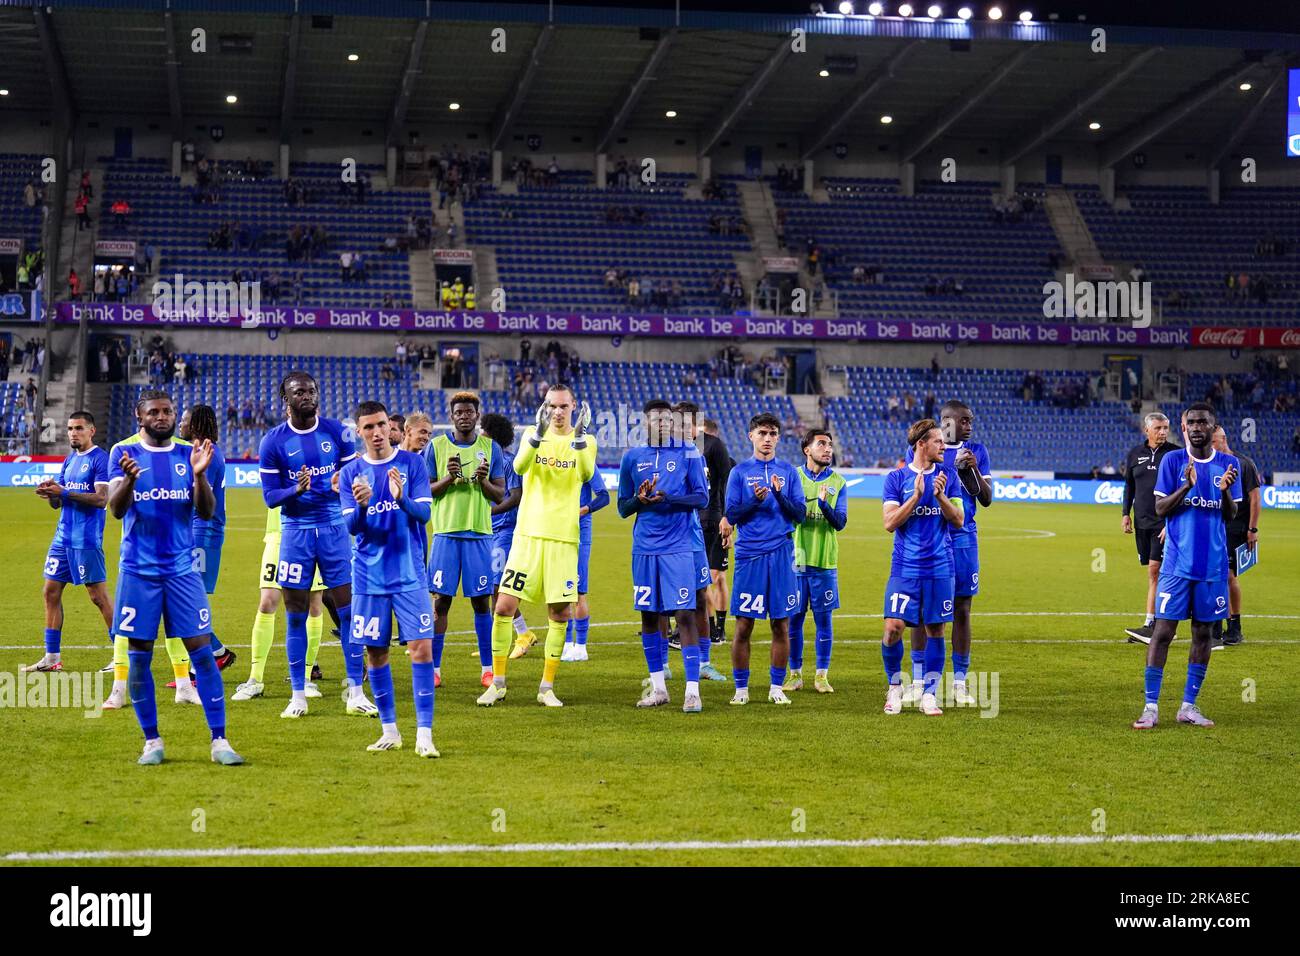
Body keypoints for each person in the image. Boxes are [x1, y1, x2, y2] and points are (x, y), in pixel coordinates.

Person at [105, 391, 243, 765]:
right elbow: (116, 511)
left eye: (168, 411)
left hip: (183, 572)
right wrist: (129, 482)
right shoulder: (123, 454)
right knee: (139, 657)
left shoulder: (191, 453)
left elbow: (207, 511)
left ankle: (220, 741)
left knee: (202, 652)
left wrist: (199, 477)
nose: (162, 417)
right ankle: (152, 741)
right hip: (138, 571)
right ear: (140, 417)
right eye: (154, 412)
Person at [258, 371, 375, 719]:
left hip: (334, 528)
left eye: (311, 390)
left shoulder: (337, 432)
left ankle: (355, 691)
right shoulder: (273, 442)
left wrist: (347, 483)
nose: (307, 396)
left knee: (348, 610)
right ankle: (298, 694)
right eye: (299, 392)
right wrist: (296, 490)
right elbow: (269, 498)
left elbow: (354, 476)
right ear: (286, 400)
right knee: (294, 612)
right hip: (295, 532)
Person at [477, 385, 596, 708]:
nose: (557, 412)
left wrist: (580, 436)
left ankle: (546, 688)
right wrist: (538, 434)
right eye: (551, 406)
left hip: (563, 540)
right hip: (528, 537)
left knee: (558, 613)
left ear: (573, 407)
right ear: (544, 408)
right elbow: (518, 467)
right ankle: (498, 683)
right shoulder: (533, 433)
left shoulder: (587, 442)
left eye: (562, 406)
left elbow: (585, 473)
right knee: (503, 605)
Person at [338, 402, 440, 757]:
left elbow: (424, 514)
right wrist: (363, 506)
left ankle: (424, 734)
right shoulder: (352, 473)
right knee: (376, 653)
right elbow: (352, 528)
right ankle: (390, 730)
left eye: (381, 425)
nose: (377, 432)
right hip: (368, 577)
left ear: (390, 426)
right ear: (359, 432)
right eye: (368, 428)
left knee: (421, 649)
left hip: (410, 573)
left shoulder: (412, 464)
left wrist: (403, 499)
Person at [1132, 403, 1241, 730]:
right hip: (1177, 565)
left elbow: (1231, 514)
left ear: (1213, 427)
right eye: (1190, 422)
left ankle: (1188, 706)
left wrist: (1223, 493)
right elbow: (1160, 507)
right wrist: (1187, 487)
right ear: (1184, 427)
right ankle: (1150, 707)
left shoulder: (1228, 464)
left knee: (1203, 633)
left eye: (1202, 423)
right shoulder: (1173, 460)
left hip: (1212, 566)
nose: (1196, 427)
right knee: (1163, 632)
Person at [618, 400, 709, 712]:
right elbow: (622, 508)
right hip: (644, 548)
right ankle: (659, 689)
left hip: (679, 547)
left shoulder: (688, 453)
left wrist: (669, 497)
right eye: (655, 419)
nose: (662, 424)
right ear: (645, 422)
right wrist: (639, 499)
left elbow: (701, 497)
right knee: (649, 616)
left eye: (666, 419)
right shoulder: (632, 457)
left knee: (684, 614)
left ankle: (692, 691)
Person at [905, 401, 993, 706]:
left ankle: (959, 682)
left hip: (964, 538)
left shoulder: (977, 451)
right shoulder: (926, 449)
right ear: (947, 422)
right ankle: (918, 680)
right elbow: (916, 490)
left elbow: (987, 499)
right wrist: (948, 469)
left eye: (970, 421)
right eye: (964, 421)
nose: (969, 426)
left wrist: (974, 470)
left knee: (962, 610)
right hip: (932, 537)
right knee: (921, 610)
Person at [22, 413, 116, 684]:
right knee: (50, 592)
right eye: (70, 429)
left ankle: (122, 655)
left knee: (98, 597)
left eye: (79, 429)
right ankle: (51, 658)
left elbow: (101, 499)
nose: (73, 433)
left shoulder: (101, 459)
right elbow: (60, 500)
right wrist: (51, 493)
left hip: (85, 539)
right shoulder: (70, 459)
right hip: (62, 538)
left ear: (92, 430)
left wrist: (62, 492)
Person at [880, 419, 964, 717]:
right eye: (938, 441)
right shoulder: (896, 479)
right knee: (892, 629)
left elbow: (958, 520)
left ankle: (929, 694)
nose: (944, 446)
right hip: (905, 568)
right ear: (921, 444)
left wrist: (939, 496)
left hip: (941, 567)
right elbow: (889, 523)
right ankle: (894, 686)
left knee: (936, 629)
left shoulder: (948, 476)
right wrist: (915, 497)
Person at [424, 392, 506, 690]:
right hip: (446, 533)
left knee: (481, 603)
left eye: (469, 411)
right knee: (441, 603)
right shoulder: (436, 447)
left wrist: (484, 481)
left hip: (479, 534)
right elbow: (425, 491)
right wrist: (448, 477)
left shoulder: (491, 448)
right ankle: (433, 668)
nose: (464, 416)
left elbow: (500, 494)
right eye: (459, 412)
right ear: (451, 416)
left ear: (477, 415)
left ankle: (487, 670)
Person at [723, 412, 805, 706]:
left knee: (780, 625)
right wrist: (754, 500)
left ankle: (776, 687)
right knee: (744, 625)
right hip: (749, 555)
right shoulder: (740, 472)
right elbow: (731, 514)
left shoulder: (789, 472)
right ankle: (741, 689)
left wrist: (780, 496)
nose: (767, 439)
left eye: (772, 434)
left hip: (781, 554)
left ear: (778, 438)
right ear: (751, 436)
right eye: (762, 433)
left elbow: (800, 514)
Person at [231, 501, 329, 702]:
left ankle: (306, 677)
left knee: (314, 604)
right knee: (267, 602)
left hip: (313, 532)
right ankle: (255, 679)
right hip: (278, 535)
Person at [176, 405, 237, 678]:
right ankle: (209, 659)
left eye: (184, 420)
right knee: (185, 599)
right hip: (195, 531)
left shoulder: (208, 454)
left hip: (204, 532)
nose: (180, 424)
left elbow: (202, 501)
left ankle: (211, 659)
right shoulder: (200, 450)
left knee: (190, 600)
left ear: (196, 424)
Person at [785, 429, 848, 695]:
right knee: (794, 621)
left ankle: (821, 675)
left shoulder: (839, 482)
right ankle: (794, 674)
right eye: (821, 444)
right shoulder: (793, 478)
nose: (828, 449)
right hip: (796, 561)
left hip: (824, 562)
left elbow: (840, 522)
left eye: (830, 445)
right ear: (806, 449)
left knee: (823, 621)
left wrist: (823, 505)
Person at [669, 402, 727, 682]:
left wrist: (724, 518)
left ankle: (704, 662)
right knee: (659, 600)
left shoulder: (711, 446)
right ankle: (662, 667)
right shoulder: (660, 450)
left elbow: (725, 480)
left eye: (691, 424)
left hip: (699, 528)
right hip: (665, 534)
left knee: (701, 596)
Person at [1120, 412, 1181, 644]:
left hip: (1163, 524)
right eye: (1158, 428)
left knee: (1156, 572)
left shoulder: (1176, 454)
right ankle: (1153, 624)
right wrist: (1126, 513)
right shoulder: (1135, 454)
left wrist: (1171, 522)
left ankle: (1155, 625)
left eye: (1166, 427)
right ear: (1147, 430)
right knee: (1153, 573)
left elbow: (1182, 491)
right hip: (1142, 523)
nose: (1163, 432)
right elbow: (1129, 486)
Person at [479, 413, 536, 660]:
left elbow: (515, 496)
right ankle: (496, 642)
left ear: (492, 434)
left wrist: (489, 511)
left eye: (484, 430)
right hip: (487, 532)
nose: (480, 434)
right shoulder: (487, 460)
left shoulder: (508, 462)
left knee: (498, 586)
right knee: (487, 586)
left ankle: (523, 634)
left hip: (504, 531)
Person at [556, 460, 610, 663]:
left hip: (579, 531)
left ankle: (581, 646)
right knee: (559, 588)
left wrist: (582, 510)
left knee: (578, 590)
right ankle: (567, 643)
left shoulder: (585, 462)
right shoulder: (556, 461)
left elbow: (604, 497)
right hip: (556, 528)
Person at [1211, 426, 1259, 647]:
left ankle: (1235, 627)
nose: (1211, 447)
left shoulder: (1244, 464)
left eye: (1214, 442)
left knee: (1229, 576)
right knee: (1213, 575)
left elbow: (1255, 499)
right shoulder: (1210, 463)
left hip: (1235, 527)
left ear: (1224, 440)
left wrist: (1252, 529)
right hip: (1213, 528)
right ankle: (1215, 625)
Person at [699, 417, 733, 648]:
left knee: (716, 578)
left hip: (719, 524)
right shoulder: (693, 460)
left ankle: (717, 628)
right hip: (698, 524)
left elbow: (732, 496)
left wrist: (730, 525)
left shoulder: (727, 463)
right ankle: (713, 628)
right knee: (708, 578)